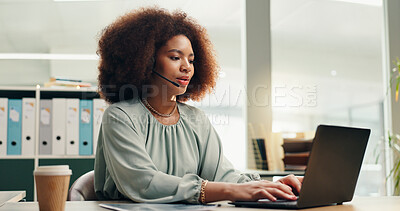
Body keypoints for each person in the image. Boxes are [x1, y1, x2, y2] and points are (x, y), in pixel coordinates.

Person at [94, 7, 302, 204]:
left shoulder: (196, 119)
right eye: (175, 57)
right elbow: (144, 183)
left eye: (191, 60)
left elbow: (223, 174)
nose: (186, 67)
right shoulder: (119, 116)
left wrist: (268, 186)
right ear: (145, 61)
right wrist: (229, 191)